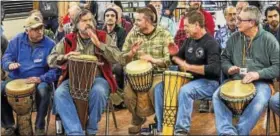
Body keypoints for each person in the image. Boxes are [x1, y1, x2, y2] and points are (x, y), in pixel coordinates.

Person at [47, 9, 135, 135]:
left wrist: (100, 45)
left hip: (98, 79)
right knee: (60, 93)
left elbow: (119, 58)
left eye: (90, 20)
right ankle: (75, 131)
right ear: (76, 24)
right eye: (84, 21)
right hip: (73, 80)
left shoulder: (103, 37)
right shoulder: (68, 39)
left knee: (98, 92)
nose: (88, 23)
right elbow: (50, 59)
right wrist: (65, 57)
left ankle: (91, 130)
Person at [213, 6, 279, 135]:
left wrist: (258, 74)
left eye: (240, 19)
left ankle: (240, 132)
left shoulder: (269, 40)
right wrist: (228, 68)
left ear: (251, 22)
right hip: (236, 80)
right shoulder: (234, 38)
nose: (236, 21)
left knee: (259, 99)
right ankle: (227, 132)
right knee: (217, 96)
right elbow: (224, 58)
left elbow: (278, 67)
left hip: (261, 82)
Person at [154, 10, 220, 134]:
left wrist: (189, 67)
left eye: (186, 26)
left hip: (209, 82)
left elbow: (214, 69)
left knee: (185, 91)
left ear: (196, 25)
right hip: (190, 80)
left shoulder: (211, 43)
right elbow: (177, 59)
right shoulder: (189, 41)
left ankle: (181, 130)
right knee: (159, 88)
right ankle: (162, 127)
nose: (184, 29)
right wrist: (173, 55)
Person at [1, 15, 59, 135]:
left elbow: (55, 70)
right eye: (35, 29)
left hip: (39, 79)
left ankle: (39, 126)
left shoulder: (50, 44)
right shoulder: (17, 40)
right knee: (0, 89)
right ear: (27, 30)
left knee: (43, 90)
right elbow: (6, 57)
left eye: (41, 28)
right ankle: (9, 125)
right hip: (16, 78)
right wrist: (9, 64)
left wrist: (41, 78)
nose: (40, 31)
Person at [122, 7, 174, 134]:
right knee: (127, 95)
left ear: (148, 21)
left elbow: (169, 59)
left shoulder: (164, 34)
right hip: (136, 77)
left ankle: (160, 120)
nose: (135, 23)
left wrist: (153, 60)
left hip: (158, 73)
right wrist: (131, 53)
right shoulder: (133, 34)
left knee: (154, 91)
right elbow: (122, 57)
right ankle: (138, 119)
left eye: (138, 20)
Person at [103, 7, 126, 106]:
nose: (110, 18)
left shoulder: (121, 31)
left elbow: (121, 49)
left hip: (116, 60)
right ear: (104, 18)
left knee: (118, 68)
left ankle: (119, 98)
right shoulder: (100, 31)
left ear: (116, 19)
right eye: (107, 16)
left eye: (112, 16)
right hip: (103, 60)